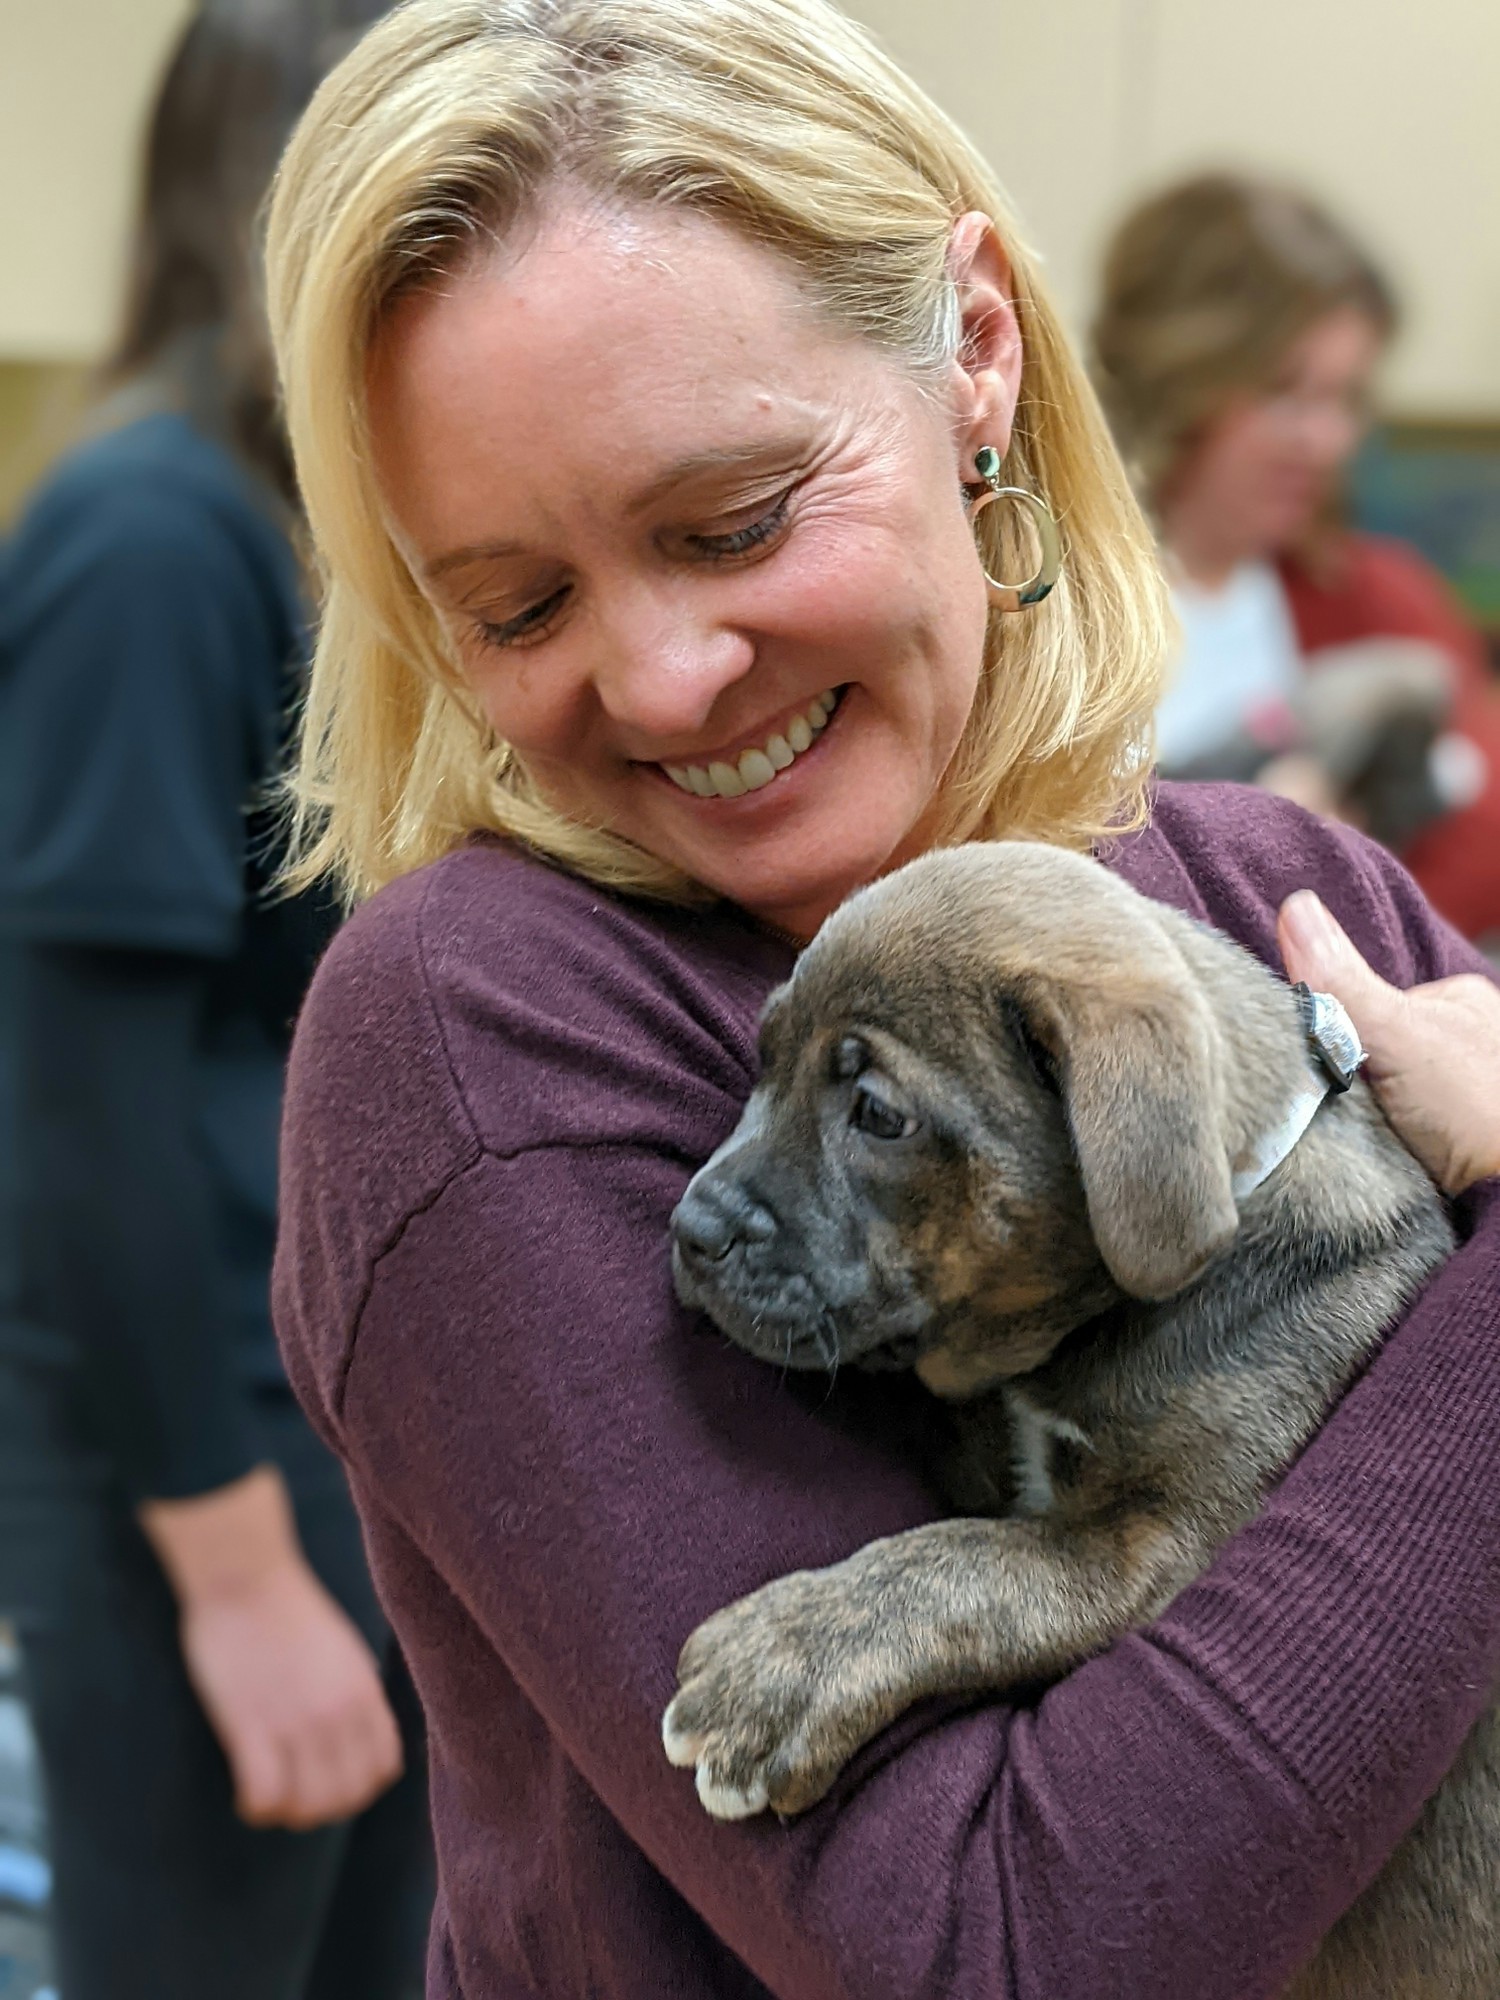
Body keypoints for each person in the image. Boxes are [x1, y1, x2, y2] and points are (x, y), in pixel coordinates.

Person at [263, 2, 1500, 1992]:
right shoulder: (483, 1034)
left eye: (732, 520)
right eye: (518, 604)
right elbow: (1006, 1946)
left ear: (979, 355)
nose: (664, 678)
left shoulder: (1285, 896)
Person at [0, 9, 432, 1996]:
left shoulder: (303, 519)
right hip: (196, 1474)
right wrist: (235, 1568)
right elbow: (68, 1102)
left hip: (324, 1443)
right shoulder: (151, 539)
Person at [1092, 171, 1500, 944]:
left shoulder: (1376, 602)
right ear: (1183, 380)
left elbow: (1488, 842)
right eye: (1285, 392)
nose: (1324, 441)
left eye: (1345, 400)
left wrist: (1326, 884)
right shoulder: (1048, 594)